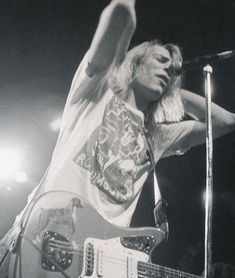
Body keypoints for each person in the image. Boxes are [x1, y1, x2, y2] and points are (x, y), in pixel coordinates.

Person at [0, 0, 235, 277]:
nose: (168, 69)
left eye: (172, 68)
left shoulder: (156, 136)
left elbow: (225, 121)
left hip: (99, 260)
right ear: (134, 63)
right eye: (160, 60)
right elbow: (121, 14)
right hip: (44, 237)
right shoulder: (96, 92)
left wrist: (174, 91)